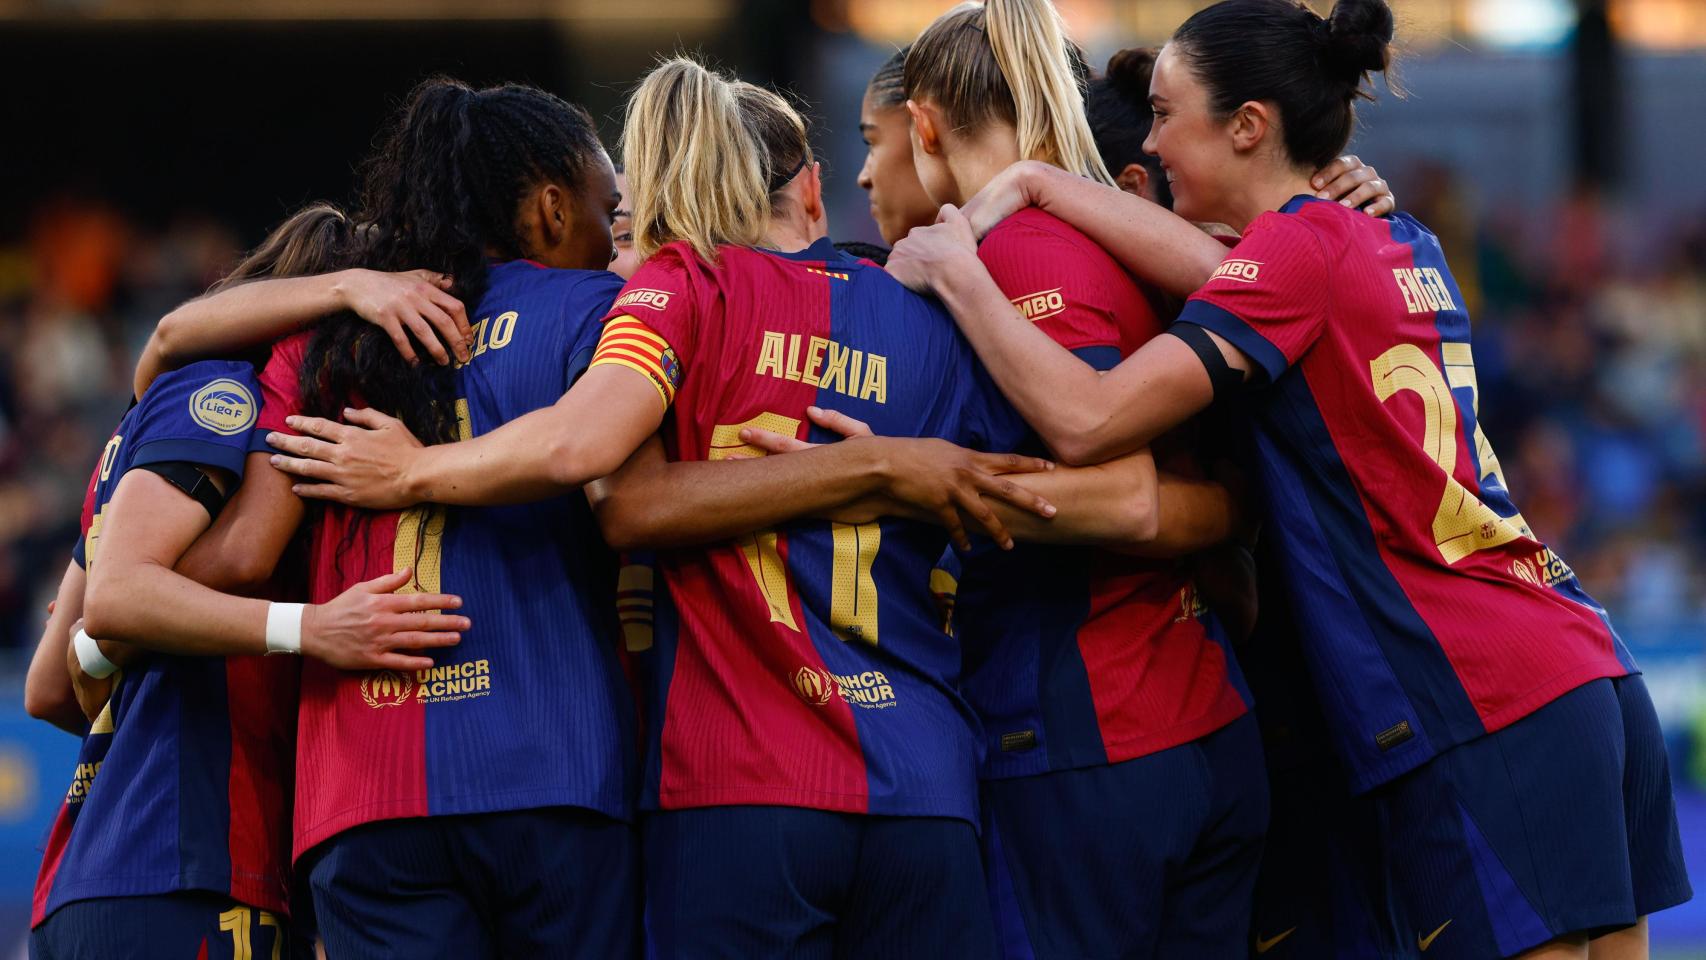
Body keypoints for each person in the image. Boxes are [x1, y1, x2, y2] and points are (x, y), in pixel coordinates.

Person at [265, 55, 1218, 957]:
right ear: (809, 186)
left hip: (731, 786)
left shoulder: (668, 292)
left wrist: (410, 472)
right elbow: (1107, 491)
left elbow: (606, 477)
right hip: (926, 784)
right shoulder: (923, 312)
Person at [887, 0, 1691, 957]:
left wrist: (962, 275)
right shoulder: (1398, 241)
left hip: (1471, 697)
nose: (1150, 140)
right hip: (1577, 663)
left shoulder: (1300, 252)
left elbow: (1089, 417)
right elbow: (1226, 268)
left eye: (1165, 112)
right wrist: (1036, 181)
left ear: (1247, 125)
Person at [887, 3, 1264, 956]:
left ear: (925, 123)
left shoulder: (1021, 254)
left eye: (875, 138)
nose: (863, 171)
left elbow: (1120, 486)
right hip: (1202, 716)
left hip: (1087, 735)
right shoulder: (1130, 233)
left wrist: (884, 478)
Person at [26, 204, 468, 960]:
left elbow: (52, 681)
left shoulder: (126, 448)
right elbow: (135, 595)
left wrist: (108, 642)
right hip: (189, 867)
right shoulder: (222, 397)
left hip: (94, 869)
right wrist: (311, 626)